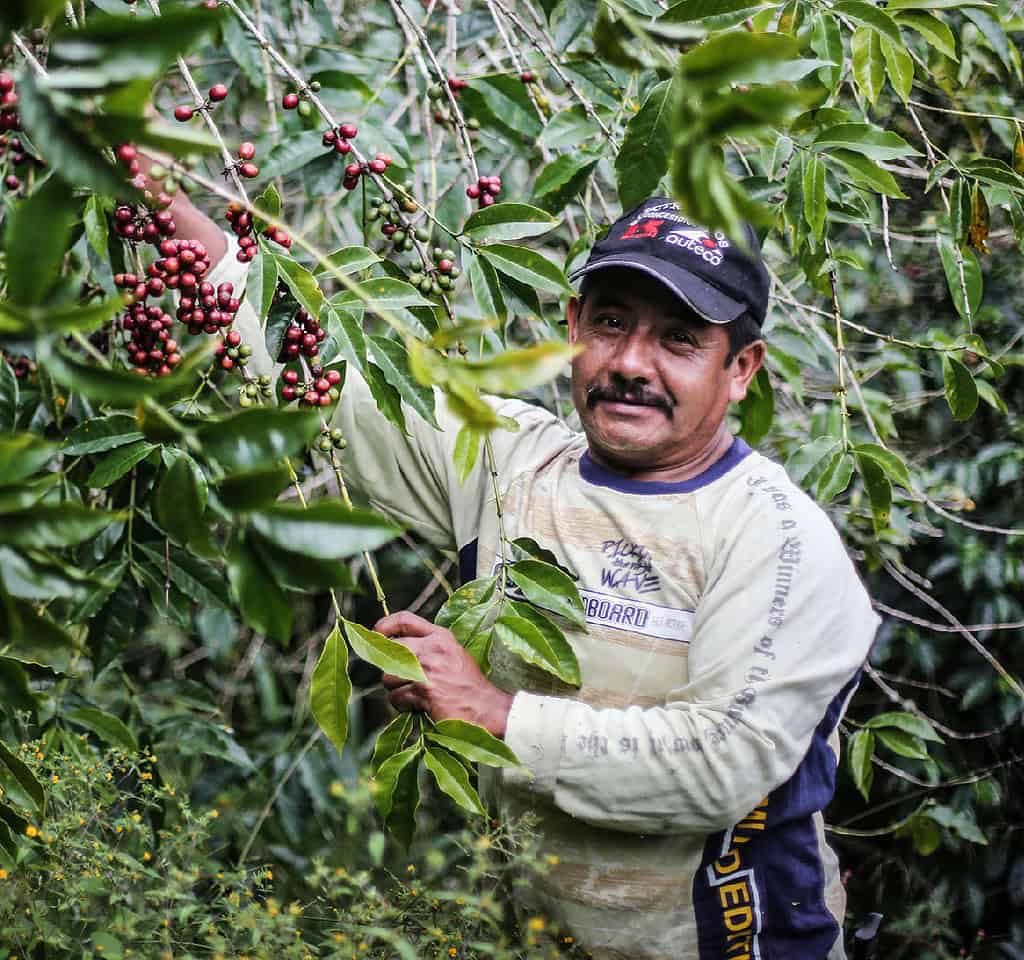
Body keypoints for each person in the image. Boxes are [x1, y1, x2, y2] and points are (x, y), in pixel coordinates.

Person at [201, 194, 879, 960]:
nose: (629, 364)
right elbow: (320, 373)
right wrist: (148, 190)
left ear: (741, 369)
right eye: (611, 322)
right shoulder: (512, 461)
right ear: (572, 328)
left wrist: (492, 712)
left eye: (680, 340)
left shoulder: (777, 539)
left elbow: (718, 764)